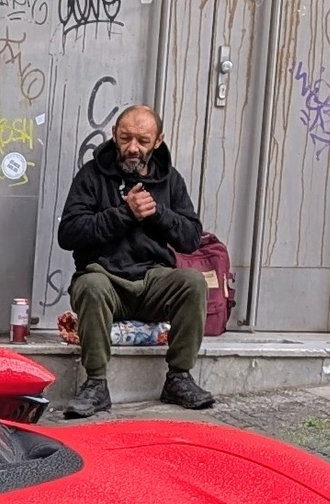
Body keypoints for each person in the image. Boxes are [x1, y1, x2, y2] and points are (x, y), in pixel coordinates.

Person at [54, 105, 214, 416]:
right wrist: (124, 213)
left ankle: (178, 378)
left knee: (193, 282)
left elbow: (191, 237)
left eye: (142, 140)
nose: (133, 148)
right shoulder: (91, 175)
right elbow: (68, 233)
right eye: (125, 138)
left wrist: (158, 212)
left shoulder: (171, 180)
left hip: (153, 279)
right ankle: (96, 384)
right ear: (114, 135)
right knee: (90, 284)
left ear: (158, 141)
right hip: (106, 279)